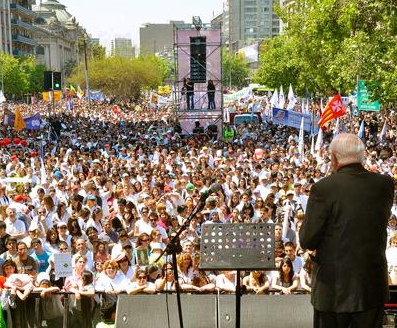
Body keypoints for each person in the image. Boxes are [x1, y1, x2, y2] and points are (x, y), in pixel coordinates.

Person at [299, 133, 395, 328]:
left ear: (333, 158)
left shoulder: (323, 188)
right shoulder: (384, 185)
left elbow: (307, 240)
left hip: (333, 288)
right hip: (371, 284)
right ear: (362, 156)